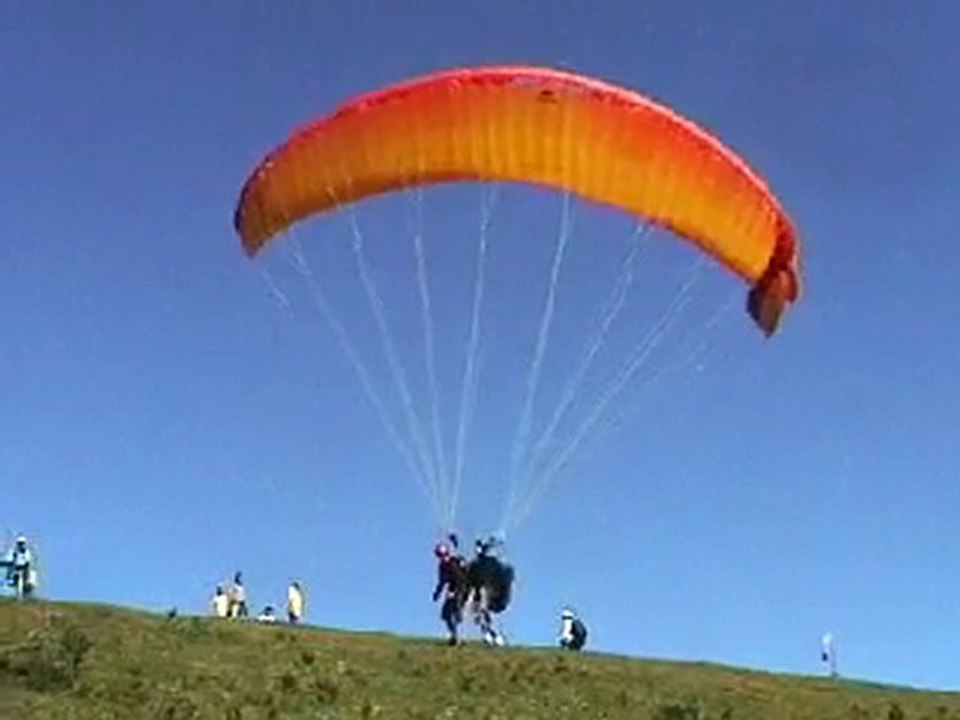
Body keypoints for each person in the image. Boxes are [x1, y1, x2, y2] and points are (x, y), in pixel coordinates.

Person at [466, 537, 509, 646]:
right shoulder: (476, 565)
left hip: (488, 592)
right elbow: (470, 580)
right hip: (481, 593)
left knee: (482, 613)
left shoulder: (490, 563)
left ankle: (493, 636)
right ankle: (490, 635)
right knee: (480, 616)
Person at [432, 541, 468, 645]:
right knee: (446, 615)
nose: (442, 557)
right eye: (440, 555)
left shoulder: (455, 562)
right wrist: (437, 593)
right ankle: (454, 636)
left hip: (462, 589)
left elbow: (461, 578)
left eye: (444, 555)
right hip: (453, 591)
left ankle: (458, 635)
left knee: (455, 613)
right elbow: (442, 581)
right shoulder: (442, 566)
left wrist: (455, 592)